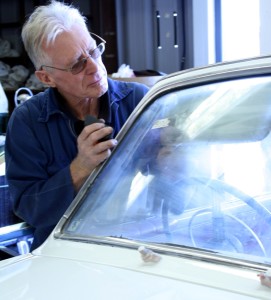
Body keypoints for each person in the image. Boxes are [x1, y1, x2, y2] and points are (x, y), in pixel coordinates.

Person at [5, 0, 149, 250]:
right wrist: (80, 169)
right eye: (77, 64)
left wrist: (170, 155)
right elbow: (28, 208)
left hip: (137, 242)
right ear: (46, 78)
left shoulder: (139, 100)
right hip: (65, 253)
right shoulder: (27, 122)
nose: (95, 68)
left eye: (94, 52)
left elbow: (170, 183)